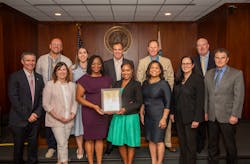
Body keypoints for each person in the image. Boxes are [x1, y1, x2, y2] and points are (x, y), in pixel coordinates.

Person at [204, 48, 245, 164]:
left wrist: (235, 114)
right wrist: (206, 112)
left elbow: (239, 96)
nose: (220, 60)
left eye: (222, 58)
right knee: (212, 145)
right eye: (217, 57)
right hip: (212, 116)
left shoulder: (236, 74)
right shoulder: (208, 73)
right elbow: (206, 95)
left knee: (229, 145)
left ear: (227, 59)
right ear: (214, 59)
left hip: (228, 116)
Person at [36, 38, 72, 158]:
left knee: (62, 123)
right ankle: (51, 147)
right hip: (46, 94)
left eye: (59, 45)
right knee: (50, 122)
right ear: (50, 45)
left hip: (62, 95)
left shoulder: (67, 60)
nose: (57, 46)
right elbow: (38, 78)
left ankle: (61, 147)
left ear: (62, 47)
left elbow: (70, 77)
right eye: (54, 44)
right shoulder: (41, 59)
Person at [137, 40, 176, 152]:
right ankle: (153, 141)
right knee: (152, 124)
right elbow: (140, 79)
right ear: (148, 48)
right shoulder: (142, 61)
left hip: (163, 97)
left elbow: (171, 78)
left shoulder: (166, 61)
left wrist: (166, 93)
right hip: (149, 97)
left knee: (165, 122)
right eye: (151, 47)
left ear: (158, 48)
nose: (153, 49)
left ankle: (167, 142)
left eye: (155, 47)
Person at [8, 52, 44, 164]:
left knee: (33, 147)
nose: (31, 63)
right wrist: (27, 115)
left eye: (33, 60)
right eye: (27, 60)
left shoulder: (39, 77)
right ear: (22, 61)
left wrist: (36, 114)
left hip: (35, 120)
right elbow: (14, 99)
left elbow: (42, 98)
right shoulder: (15, 77)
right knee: (18, 149)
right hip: (19, 119)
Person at [76, 55, 112, 164]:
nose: (96, 66)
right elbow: (78, 98)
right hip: (89, 112)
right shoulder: (84, 79)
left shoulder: (107, 79)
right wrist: (94, 106)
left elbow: (111, 96)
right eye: (93, 64)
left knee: (100, 138)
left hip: (102, 112)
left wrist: (111, 108)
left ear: (102, 65)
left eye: (99, 64)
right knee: (89, 138)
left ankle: (99, 162)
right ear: (90, 65)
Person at [171, 56, 204, 164]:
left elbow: (200, 100)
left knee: (191, 145)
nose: (185, 66)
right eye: (183, 63)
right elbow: (173, 97)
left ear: (193, 65)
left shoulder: (197, 79)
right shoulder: (178, 78)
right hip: (179, 117)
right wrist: (172, 113)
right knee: (183, 144)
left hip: (191, 118)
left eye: (188, 63)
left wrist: (197, 119)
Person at [107, 62, 143, 164]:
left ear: (132, 71)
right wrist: (109, 108)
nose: (125, 72)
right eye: (123, 70)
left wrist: (125, 108)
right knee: (120, 142)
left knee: (131, 143)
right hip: (118, 117)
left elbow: (139, 102)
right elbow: (112, 99)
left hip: (130, 117)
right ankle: (126, 162)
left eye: (128, 70)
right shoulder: (116, 83)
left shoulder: (136, 84)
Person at [43, 62, 77, 164]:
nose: (62, 71)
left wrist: (73, 114)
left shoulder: (72, 85)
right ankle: (65, 161)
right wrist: (58, 117)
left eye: (64, 69)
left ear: (67, 71)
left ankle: (59, 161)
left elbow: (75, 101)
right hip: (55, 119)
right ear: (56, 72)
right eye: (59, 69)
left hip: (69, 119)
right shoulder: (50, 84)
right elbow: (46, 104)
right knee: (62, 143)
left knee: (63, 143)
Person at [104, 41, 134, 154]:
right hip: (112, 96)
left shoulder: (129, 62)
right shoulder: (106, 64)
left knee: (123, 122)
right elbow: (105, 80)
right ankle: (110, 144)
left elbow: (132, 78)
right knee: (111, 121)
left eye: (119, 49)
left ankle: (124, 142)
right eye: (115, 49)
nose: (117, 51)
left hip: (125, 94)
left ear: (123, 50)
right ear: (112, 51)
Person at [140, 61, 171, 164]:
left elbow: (168, 103)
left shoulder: (164, 84)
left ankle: (159, 162)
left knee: (159, 140)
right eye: (152, 68)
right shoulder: (145, 83)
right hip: (148, 115)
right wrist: (141, 113)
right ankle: (154, 161)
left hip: (159, 116)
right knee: (151, 139)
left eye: (157, 68)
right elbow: (144, 100)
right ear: (148, 70)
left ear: (160, 70)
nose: (154, 70)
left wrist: (164, 118)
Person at [193, 38, 216, 153]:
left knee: (212, 123)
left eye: (203, 45)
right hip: (198, 95)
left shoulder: (216, 58)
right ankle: (200, 146)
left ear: (208, 46)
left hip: (213, 96)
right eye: (199, 45)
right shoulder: (192, 60)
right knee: (200, 120)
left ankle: (212, 147)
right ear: (196, 48)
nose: (201, 47)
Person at [70, 47, 88, 159]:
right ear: (77, 55)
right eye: (80, 53)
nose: (82, 55)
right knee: (78, 126)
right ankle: (80, 148)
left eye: (84, 52)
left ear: (87, 54)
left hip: (90, 101)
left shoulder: (92, 67)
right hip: (78, 101)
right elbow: (71, 86)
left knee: (88, 126)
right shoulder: (72, 68)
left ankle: (88, 147)